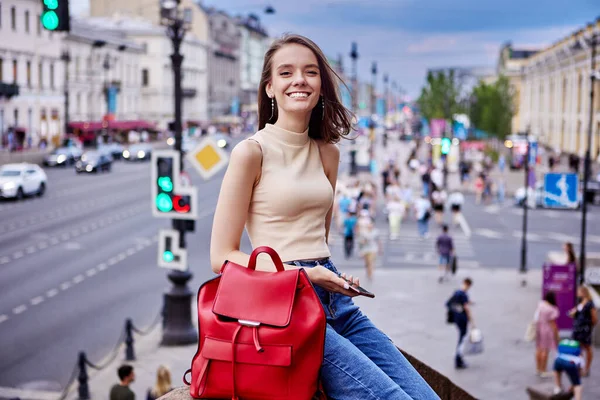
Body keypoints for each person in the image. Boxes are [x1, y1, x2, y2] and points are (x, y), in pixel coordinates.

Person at [209, 33, 438, 400]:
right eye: (286, 73)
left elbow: (318, 236)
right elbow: (221, 255)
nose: (299, 79)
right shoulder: (250, 153)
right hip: (286, 305)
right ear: (269, 88)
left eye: (310, 72)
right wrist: (302, 274)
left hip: (334, 297)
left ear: (320, 85)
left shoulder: (327, 153)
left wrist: (330, 275)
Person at [569, 286, 598, 377]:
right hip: (578, 328)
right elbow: (573, 313)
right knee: (578, 348)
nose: (577, 293)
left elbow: (594, 318)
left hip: (585, 329)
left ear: (584, 292)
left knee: (587, 347)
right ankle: (579, 367)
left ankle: (587, 367)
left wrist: (589, 325)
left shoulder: (590, 304)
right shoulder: (579, 302)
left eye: (579, 291)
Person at [446, 278, 474, 369]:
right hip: (462, 319)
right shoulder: (463, 295)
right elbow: (466, 308)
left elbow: (448, 303)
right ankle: (458, 360)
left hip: (456, 318)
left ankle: (459, 359)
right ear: (468, 285)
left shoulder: (457, 292)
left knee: (461, 338)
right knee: (462, 340)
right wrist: (472, 321)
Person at [534, 291, 560, 377]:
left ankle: (538, 369)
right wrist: (556, 334)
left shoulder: (541, 304)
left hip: (539, 327)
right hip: (547, 329)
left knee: (539, 348)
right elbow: (553, 324)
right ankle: (543, 370)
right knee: (545, 350)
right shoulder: (552, 309)